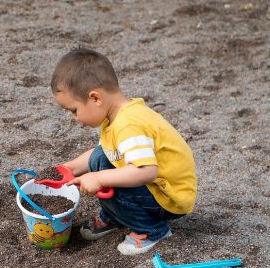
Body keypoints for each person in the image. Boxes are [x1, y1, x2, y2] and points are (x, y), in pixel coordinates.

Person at [49, 47, 196, 255]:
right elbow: (101, 153)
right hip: (155, 187)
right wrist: (69, 168)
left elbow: (145, 171)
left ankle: (152, 230)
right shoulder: (116, 116)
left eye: (74, 110)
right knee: (101, 158)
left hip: (169, 197)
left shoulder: (129, 124)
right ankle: (116, 216)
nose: (75, 118)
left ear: (95, 98)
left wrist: (99, 178)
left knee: (106, 174)